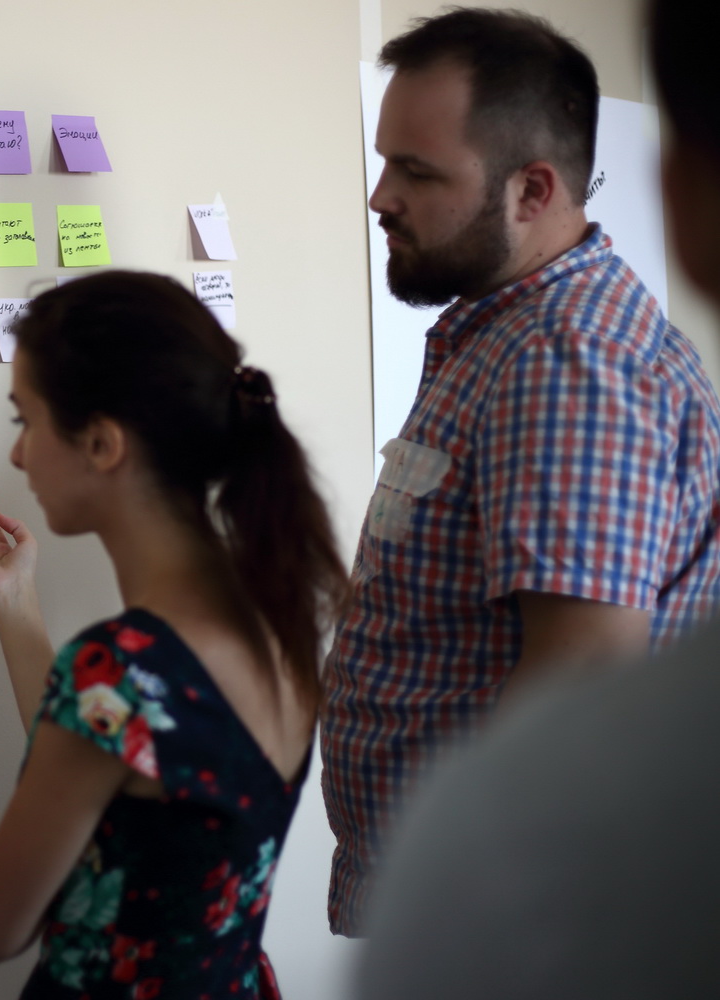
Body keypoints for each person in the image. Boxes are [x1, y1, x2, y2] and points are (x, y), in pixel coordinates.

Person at [321, 6, 720, 937]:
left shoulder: (568, 359)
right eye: (385, 163)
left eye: (417, 172)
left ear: (533, 190)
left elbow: (578, 691)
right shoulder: (506, 334)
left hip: (504, 922)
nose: (380, 197)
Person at [0, 272, 349, 999]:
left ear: (102, 443)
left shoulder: (115, 672)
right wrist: (12, 598)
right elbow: (107, 752)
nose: (16, 456)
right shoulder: (277, 623)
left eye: (24, 421)